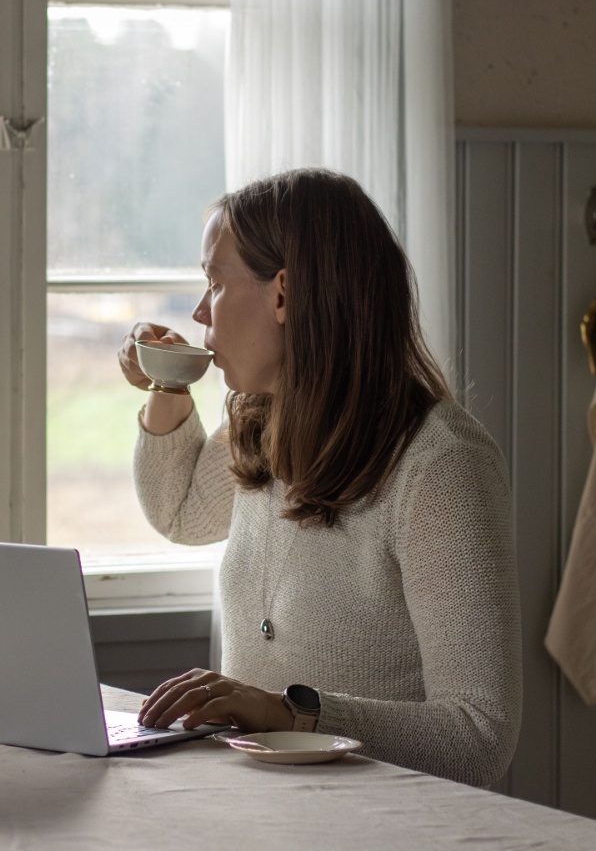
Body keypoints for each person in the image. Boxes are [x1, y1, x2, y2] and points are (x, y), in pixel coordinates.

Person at [118, 168, 521, 787]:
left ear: (283, 294)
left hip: (380, 825)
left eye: (215, 284)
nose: (199, 311)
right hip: (260, 813)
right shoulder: (264, 419)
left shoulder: (441, 466)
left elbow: (479, 737)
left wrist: (291, 716)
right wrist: (167, 380)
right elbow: (181, 514)